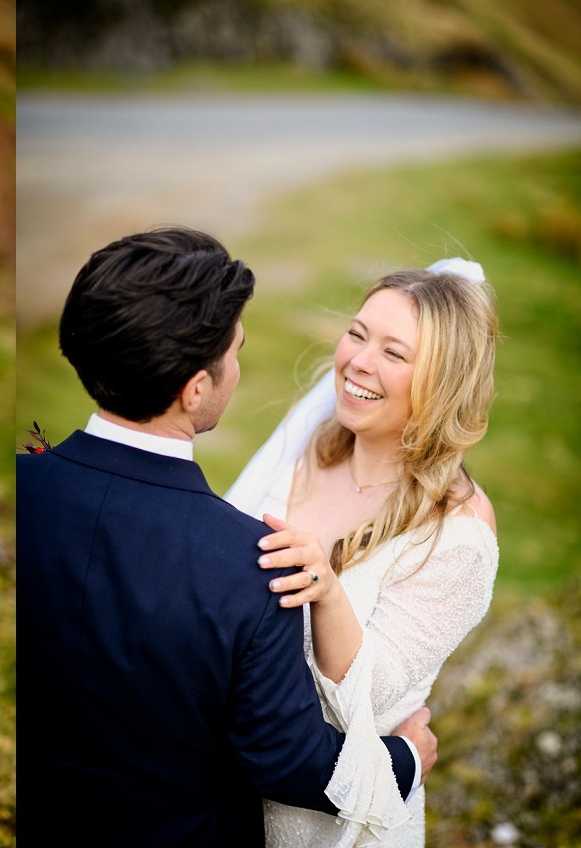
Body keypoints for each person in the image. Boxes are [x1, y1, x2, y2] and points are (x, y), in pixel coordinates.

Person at [16, 227, 438, 847]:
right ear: (196, 389)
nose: (238, 367)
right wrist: (404, 759)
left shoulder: (22, 487)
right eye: (235, 352)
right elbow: (290, 761)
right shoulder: (254, 564)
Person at [226, 258, 500, 847]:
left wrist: (326, 593)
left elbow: (376, 698)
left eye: (394, 354)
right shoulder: (307, 451)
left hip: (337, 821)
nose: (358, 362)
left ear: (444, 382)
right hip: (232, 797)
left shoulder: (457, 531)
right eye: (357, 333)